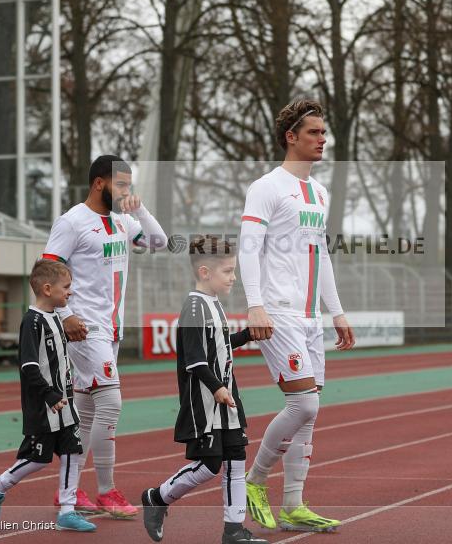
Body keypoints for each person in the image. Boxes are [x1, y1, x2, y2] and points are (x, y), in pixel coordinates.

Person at [239, 99, 355, 533]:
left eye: (324, 132)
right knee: (303, 402)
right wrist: (255, 304)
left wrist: (336, 312)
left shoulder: (319, 193)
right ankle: (254, 480)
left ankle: (293, 504)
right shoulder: (266, 187)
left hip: (309, 317)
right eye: (313, 132)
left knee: (310, 411)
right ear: (291, 137)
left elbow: (321, 255)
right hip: (277, 312)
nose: (322, 139)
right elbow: (248, 247)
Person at [43, 155, 167, 517]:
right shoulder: (72, 222)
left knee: (86, 413)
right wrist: (65, 315)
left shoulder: (123, 220)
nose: (126, 191)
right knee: (111, 403)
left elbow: (159, 241)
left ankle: (67, 490)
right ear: (100, 183)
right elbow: (46, 271)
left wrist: (139, 209)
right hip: (85, 328)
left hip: (111, 329)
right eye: (121, 185)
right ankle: (106, 490)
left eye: (129, 185)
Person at [140, 237, 267, 544]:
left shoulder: (214, 303)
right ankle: (157, 497)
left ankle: (233, 530)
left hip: (226, 398)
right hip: (206, 402)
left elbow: (219, 346)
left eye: (234, 270)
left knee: (236, 459)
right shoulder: (194, 307)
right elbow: (195, 360)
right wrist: (217, 388)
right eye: (228, 271)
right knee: (210, 466)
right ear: (205, 272)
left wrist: (248, 335)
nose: (233, 277)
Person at [0, 260, 95, 532]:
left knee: (72, 452)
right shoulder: (32, 321)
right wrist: (49, 394)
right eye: (66, 287)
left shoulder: (57, 317)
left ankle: (67, 510)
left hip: (65, 403)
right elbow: (29, 366)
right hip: (45, 405)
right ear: (47, 289)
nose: (70, 292)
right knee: (38, 458)